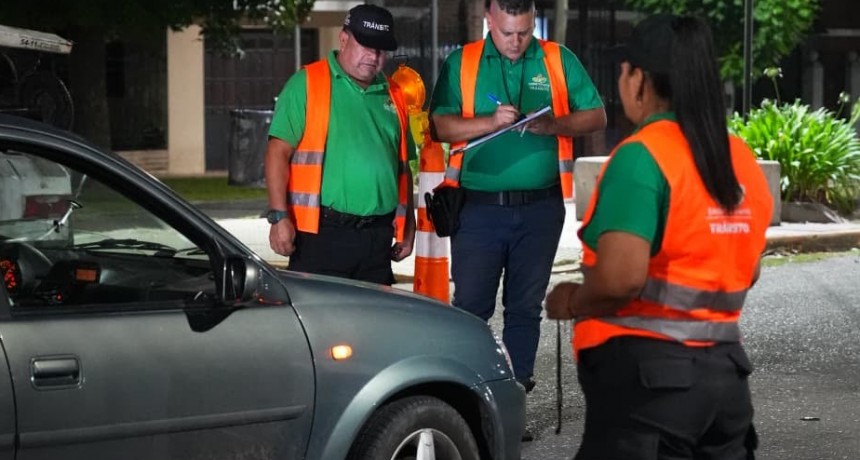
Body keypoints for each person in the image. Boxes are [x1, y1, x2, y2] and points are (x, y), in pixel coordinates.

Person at [545, 14, 773, 459]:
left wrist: (571, 300)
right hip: (726, 381)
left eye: (624, 71)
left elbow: (620, 280)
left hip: (650, 386)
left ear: (640, 80)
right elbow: (748, 271)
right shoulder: (738, 158)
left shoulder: (642, 156)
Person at [429, 0, 606, 392]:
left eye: (525, 32)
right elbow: (440, 126)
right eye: (507, 32)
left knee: (525, 307)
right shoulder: (463, 62)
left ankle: (516, 391)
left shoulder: (557, 59)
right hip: (477, 210)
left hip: (541, 208)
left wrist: (553, 124)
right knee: (471, 308)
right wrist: (490, 122)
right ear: (489, 20)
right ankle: (470, 391)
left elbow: (597, 115)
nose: (516, 41)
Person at [264, 4, 415, 286]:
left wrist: (409, 225)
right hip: (321, 236)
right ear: (343, 39)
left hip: (377, 239)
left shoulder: (394, 93)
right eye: (366, 46)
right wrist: (278, 216)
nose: (374, 57)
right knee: (321, 315)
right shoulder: (307, 84)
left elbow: (402, 167)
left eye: (381, 50)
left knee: (375, 314)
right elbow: (277, 153)